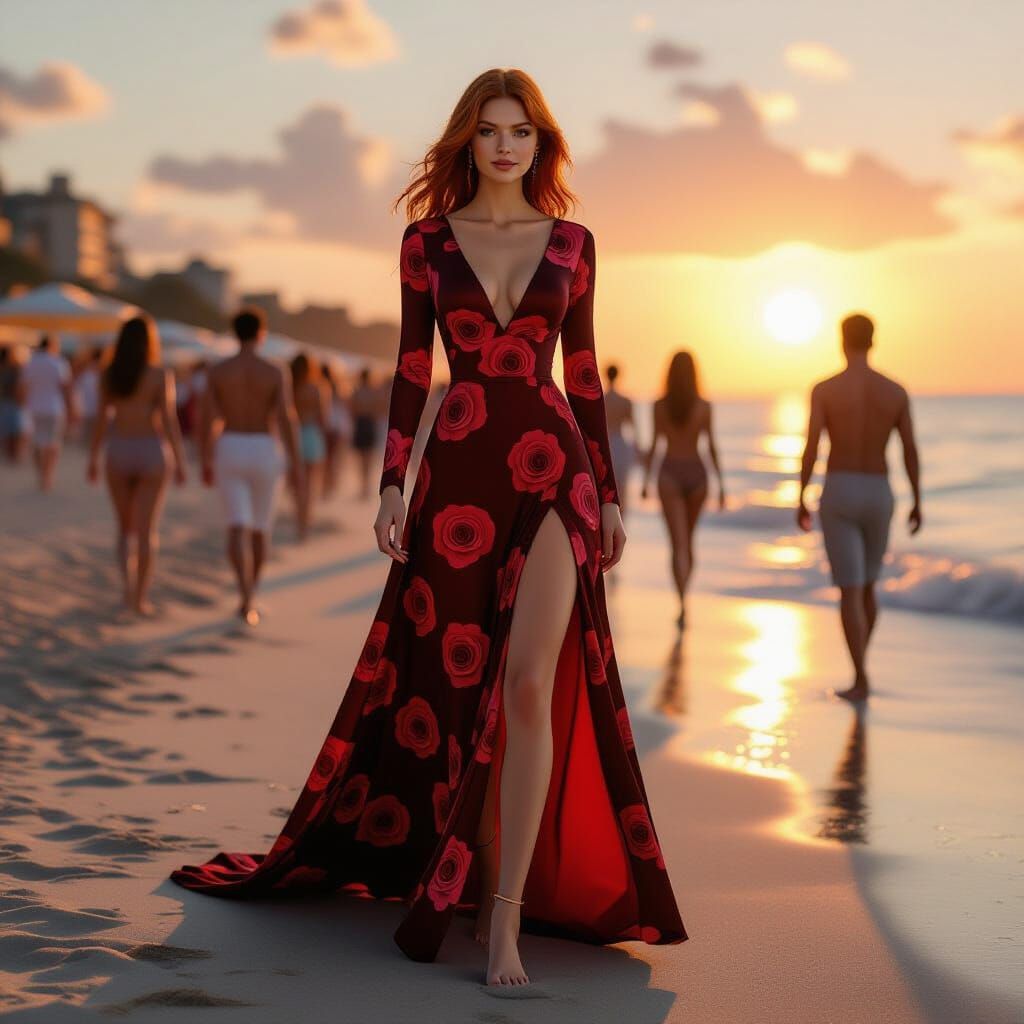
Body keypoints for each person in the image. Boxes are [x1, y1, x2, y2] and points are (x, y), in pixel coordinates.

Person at [171, 67, 686, 992]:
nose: (503, 145)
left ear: (541, 142)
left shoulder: (575, 242)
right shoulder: (426, 244)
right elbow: (413, 369)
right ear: (467, 139)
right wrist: (388, 484)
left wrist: (607, 491)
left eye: (520, 131)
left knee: (528, 686)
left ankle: (504, 918)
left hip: (554, 472)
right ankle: (465, 871)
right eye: (488, 130)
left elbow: (586, 376)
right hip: (456, 479)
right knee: (456, 693)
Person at [797, 313, 922, 702]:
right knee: (868, 587)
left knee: (850, 590)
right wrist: (918, 499)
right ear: (873, 340)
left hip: (840, 488)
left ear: (842, 340)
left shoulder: (825, 389)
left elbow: (813, 446)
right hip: (879, 490)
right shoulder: (895, 391)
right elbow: (909, 449)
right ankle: (861, 670)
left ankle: (859, 676)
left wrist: (800, 493)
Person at [200, 307, 302, 626]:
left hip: (229, 444)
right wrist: (297, 461)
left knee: (236, 526)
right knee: (260, 528)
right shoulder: (274, 371)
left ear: (234, 332)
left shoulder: (218, 371)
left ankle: (243, 593)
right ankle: (251, 597)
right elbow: (286, 417)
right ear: (261, 333)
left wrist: (205, 456)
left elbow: (207, 418)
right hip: (263, 447)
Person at [87, 317, 187, 615]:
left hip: (118, 451)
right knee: (147, 531)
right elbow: (169, 420)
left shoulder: (109, 374)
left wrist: (93, 457)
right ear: (149, 342)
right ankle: (140, 599)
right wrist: (181, 460)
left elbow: (102, 420)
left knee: (124, 529)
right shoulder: (159, 374)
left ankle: (126, 591)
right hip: (151, 452)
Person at [640, 351, 725, 629]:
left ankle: (682, 603)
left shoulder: (659, 406)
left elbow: (654, 445)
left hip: (669, 475)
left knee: (678, 545)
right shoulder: (704, 406)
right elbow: (711, 446)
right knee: (688, 542)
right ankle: (684, 598)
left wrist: (644, 482)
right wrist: (721, 483)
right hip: (698, 475)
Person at [22, 335, 73, 490]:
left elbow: (23, 386)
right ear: (52, 346)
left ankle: (40, 474)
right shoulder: (58, 362)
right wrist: (72, 408)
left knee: (37, 442)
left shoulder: (30, 363)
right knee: (53, 443)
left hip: (34, 407)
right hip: (54, 408)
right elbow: (66, 387)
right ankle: (48, 475)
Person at [289, 352, 328, 540]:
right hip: (312, 435)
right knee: (310, 484)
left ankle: (299, 520)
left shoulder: (290, 388)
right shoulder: (317, 388)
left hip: (294, 435)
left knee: (297, 484)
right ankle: (305, 523)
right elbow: (323, 417)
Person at [603, 363, 637, 517]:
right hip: (620, 445)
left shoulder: (601, 399)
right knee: (621, 488)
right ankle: (620, 521)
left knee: (604, 487)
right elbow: (633, 427)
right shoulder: (625, 400)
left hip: (604, 444)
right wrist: (637, 449)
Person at [321, 361, 352, 499]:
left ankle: (328, 486)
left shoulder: (322, 385)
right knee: (332, 458)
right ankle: (331, 485)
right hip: (337, 426)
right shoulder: (338, 386)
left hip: (328, 425)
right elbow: (344, 408)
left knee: (327, 458)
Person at [350, 365, 380, 499]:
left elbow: (353, 410)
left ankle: (364, 487)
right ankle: (366, 487)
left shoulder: (357, 391)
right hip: (369, 424)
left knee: (362, 458)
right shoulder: (373, 392)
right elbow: (377, 410)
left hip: (361, 424)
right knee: (368, 458)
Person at [0, 345, 29, 463]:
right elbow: (20, 387)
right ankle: (15, 454)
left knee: (9, 430)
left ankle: (11, 453)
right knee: (17, 430)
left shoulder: (5, 369)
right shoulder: (16, 369)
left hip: (6, 402)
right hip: (14, 402)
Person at [74, 345, 104, 446]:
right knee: (96, 437)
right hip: (99, 409)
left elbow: (76, 388)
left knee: (87, 438)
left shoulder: (85, 372)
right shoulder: (104, 372)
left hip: (86, 408)